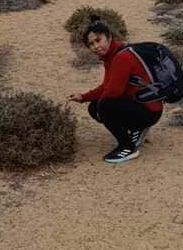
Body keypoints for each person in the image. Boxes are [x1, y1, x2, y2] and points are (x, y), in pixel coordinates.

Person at [68, 15, 163, 165]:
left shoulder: (121, 58)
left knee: (104, 106)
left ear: (109, 37)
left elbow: (113, 93)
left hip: (149, 110)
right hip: (142, 105)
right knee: (96, 106)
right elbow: (107, 85)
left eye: (98, 40)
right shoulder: (112, 55)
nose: (96, 47)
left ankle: (128, 147)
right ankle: (138, 128)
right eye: (91, 44)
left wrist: (100, 106)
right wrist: (84, 96)